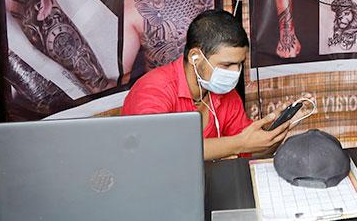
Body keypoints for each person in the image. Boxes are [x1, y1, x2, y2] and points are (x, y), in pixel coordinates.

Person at [122, 11, 294, 160]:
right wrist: (239, 143)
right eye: (227, 65)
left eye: (240, 64)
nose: (235, 72)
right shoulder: (154, 89)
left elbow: (251, 152)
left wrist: (272, 134)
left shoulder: (226, 94)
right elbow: (156, 149)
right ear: (195, 57)